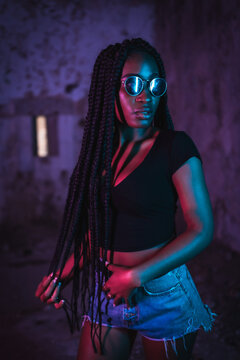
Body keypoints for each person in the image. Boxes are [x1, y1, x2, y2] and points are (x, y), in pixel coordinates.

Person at [35, 38, 217, 360]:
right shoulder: (99, 154)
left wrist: (135, 276)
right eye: (132, 85)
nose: (145, 97)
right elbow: (95, 232)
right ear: (109, 91)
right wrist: (60, 275)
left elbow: (200, 229)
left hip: (163, 292)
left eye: (154, 85)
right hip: (107, 291)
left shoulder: (175, 147)